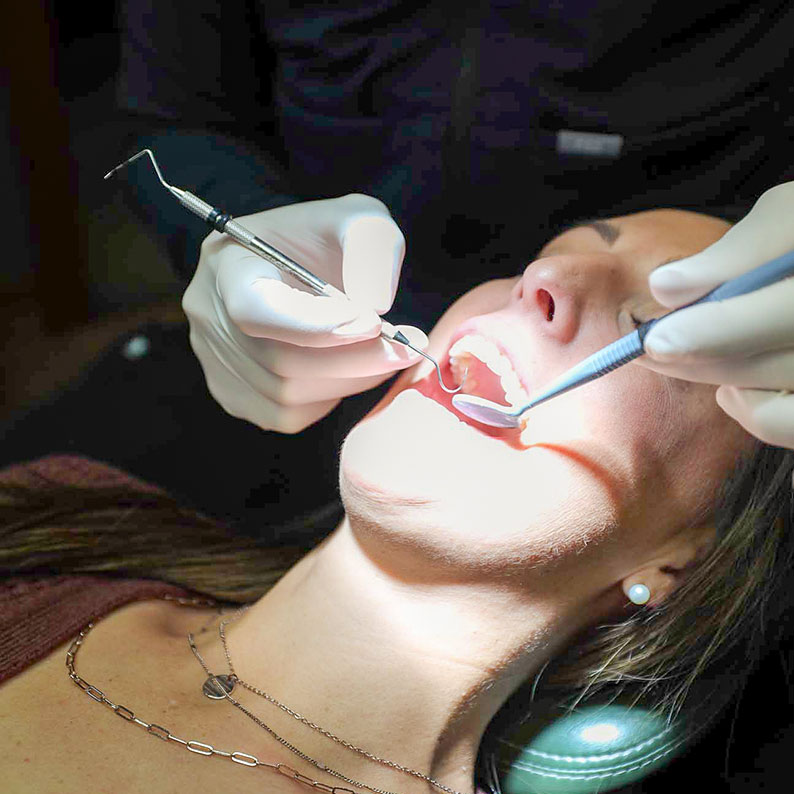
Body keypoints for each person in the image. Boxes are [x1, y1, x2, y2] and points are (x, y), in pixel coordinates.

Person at [2, 208, 792, 793]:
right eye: (555, 251)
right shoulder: (61, 509)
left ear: (695, 551)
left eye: (649, 326)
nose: (543, 282)